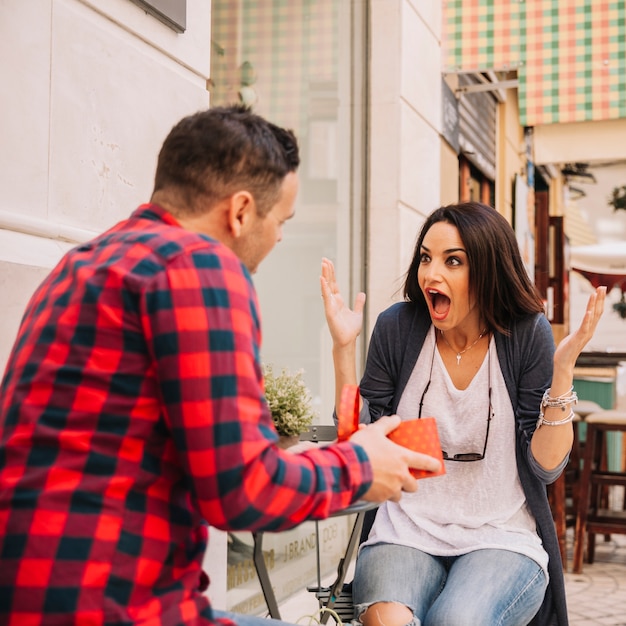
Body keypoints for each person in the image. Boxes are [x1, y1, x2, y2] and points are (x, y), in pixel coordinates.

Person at [0, 105, 442, 626]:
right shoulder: (199, 266)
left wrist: (280, 455)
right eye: (280, 221)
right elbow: (243, 492)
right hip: (115, 605)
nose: (279, 238)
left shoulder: (82, 264)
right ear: (240, 211)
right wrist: (362, 466)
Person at [321, 201, 606, 626]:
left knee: (457, 620)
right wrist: (343, 349)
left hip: (502, 536)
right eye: (425, 258)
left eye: (453, 261)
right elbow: (358, 440)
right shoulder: (398, 328)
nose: (431, 274)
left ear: (489, 269)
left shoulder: (525, 335)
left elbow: (545, 467)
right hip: (405, 530)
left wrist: (562, 373)